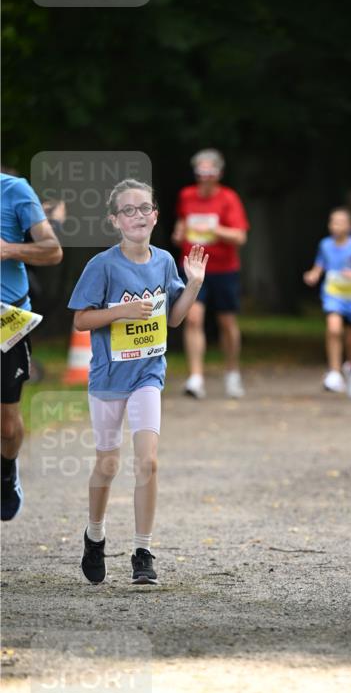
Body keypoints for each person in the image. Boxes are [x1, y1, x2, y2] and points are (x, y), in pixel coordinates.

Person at [68, 179, 208, 586]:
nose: (137, 216)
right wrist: (121, 312)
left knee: (147, 461)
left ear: (156, 216)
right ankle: (95, 536)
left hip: (148, 374)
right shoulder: (102, 265)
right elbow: (81, 320)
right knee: (108, 464)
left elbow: (174, 318)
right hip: (109, 378)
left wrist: (194, 283)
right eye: (128, 210)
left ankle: (142, 552)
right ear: (115, 220)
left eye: (144, 208)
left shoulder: (164, 261)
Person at [1, 172, 63, 520]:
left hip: (6, 322)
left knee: (7, 427)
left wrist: (8, 249)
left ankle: (6, 472)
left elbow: (52, 250)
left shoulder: (14, 191)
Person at [172, 149, 249, 399]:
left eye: (210, 172)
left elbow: (240, 237)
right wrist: (180, 232)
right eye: (201, 172)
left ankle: (232, 373)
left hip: (224, 269)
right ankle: (196, 378)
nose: (205, 176)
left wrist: (214, 230)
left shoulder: (229, 198)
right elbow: (182, 221)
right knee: (193, 319)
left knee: (226, 323)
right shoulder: (186, 195)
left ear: (219, 173)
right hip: (193, 268)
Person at [304, 206, 351, 399]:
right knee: (334, 329)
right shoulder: (325, 245)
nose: (336, 226)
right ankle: (334, 372)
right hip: (332, 296)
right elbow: (320, 264)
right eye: (333, 222)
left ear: (350, 226)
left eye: (340, 222)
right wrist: (313, 274)